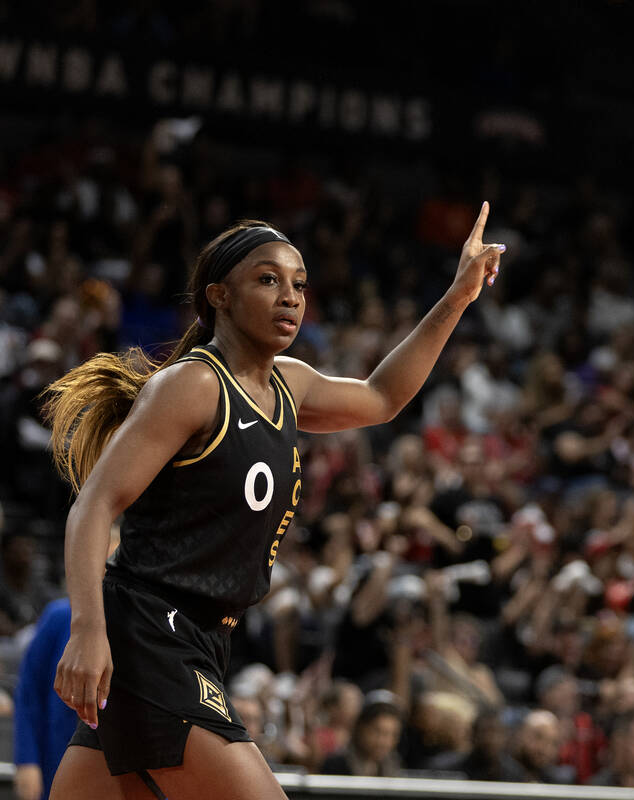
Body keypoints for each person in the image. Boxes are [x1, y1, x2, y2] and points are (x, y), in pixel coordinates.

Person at [43, 205, 505, 800]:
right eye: (268, 280)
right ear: (220, 296)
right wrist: (87, 631)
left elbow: (383, 396)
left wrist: (459, 296)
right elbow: (94, 505)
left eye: (299, 283)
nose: (290, 296)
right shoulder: (194, 384)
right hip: (150, 632)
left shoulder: (289, 384)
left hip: (204, 639)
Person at [12, 597, 78, 800]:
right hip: (55, 755)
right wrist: (26, 760)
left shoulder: (137, 618)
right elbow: (29, 693)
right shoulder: (60, 616)